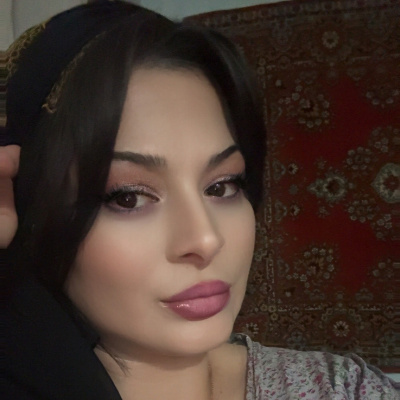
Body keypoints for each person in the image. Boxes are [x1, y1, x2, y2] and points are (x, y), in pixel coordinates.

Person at [3, 1, 399, 399]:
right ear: (31, 213)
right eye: (129, 198)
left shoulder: (340, 389)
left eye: (222, 186)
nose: (206, 240)